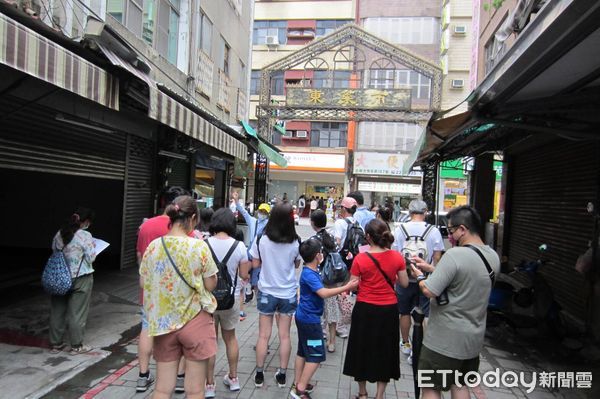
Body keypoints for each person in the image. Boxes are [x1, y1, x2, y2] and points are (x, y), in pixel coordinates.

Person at [411, 206, 500, 399]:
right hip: (473, 341)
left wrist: (419, 276)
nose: (450, 236)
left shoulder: (454, 255)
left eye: (450, 231)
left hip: (444, 340)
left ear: (462, 229)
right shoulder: (492, 256)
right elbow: (465, 279)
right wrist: (431, 268)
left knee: (431, 387)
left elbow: (429, 290)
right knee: (459, 386)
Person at [140, 195, 219, 399]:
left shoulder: (154, 247)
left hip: (164, 322)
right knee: (195, 390)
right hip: (195, 321)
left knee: (162, 388)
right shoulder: (198, 246)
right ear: (193, 218)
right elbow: (210, 284)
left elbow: (143, 282)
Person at [343, 219, 409, 399]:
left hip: (365, 308)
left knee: (361, 348)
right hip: (388, 309)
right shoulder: (397, 257)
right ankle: (379, 395)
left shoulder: (360, 258)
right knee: (385, 350)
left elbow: (354, 286)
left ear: (368, 237)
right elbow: (404, 282)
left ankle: (362, 393)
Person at [135, 186, 188, 392]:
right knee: (179, 332)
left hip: (150, 289)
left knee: (147, 329)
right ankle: (180, 378)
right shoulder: (185, 229)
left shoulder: (146, 226)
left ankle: (143, 375)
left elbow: (140, 258)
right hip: (177, 292)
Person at [291, 239, 358, 399]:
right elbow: (323, 293)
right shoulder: (309, 274)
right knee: (315, 354)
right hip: (310, 321)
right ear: (317, 256)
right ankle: (300, 389)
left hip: (305, 318)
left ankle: (298, 382)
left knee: (303, 351)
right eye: (320, 252)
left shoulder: (310, 271)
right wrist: (347, 287)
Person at [250, 203, 302, 389]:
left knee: (263, 335)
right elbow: (296, 264)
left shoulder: (262, 239)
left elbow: (255, 263)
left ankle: (259, 373)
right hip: (287, 292)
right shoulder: (296, 242)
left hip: (267, 291)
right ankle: (282, 374)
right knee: (285, 336)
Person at [204, 209, 251, 397]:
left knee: (210, 341)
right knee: (230, 339)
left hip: (208, 301)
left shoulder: (204, 244)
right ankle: (233, 379)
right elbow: (244, 275)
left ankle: (209, 385)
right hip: (230, 301)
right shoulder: (239, 246)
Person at [392, 199, 444, 365]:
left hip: (405, 278)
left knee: (405, 312)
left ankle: (405, 343)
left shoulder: (400, 229)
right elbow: (437, 256)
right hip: (426, 278)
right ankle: (419, 348)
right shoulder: (433, 231)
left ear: (409, 211)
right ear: (426, 211)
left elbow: (395, 254)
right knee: (426, 314)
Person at [49, 207, 97, 356]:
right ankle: (76, 346)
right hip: (81, 277)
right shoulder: (85, 235)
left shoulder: (60, 233)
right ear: (86, 222)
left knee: (57, 310)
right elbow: (91, 257)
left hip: (59, 276)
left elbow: (54, 250)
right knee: (77, 313)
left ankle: (56, 344)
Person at [309, 210, 340, 353]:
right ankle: (332, 342)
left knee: (317, 312)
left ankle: (317, 340)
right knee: (332, 311)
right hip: (332, 280)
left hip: (318, 279)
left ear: (313, 223)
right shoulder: (331, 237)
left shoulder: (313, 240)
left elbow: (310, 260)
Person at [332, 196, 361, 338]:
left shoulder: (340, 223)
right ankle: (343, 325)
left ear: (344, 208)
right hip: (353, 263)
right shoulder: (358, 224)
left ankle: (338, 325)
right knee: (346, 292)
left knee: (338, 292)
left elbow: (336, 243)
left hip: (340, 263)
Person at [231, 191, 270, 295]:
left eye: (265, 212)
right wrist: (236, 200)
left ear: (268, 214)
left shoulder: (269, 224)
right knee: (244, 273)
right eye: (261, 211)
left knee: (257, 276)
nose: (262, 213)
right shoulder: (253, 221)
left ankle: (256, 293)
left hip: (260, 253)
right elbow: (243, 212)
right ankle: (247, 291)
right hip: (250, 252)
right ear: (258, 211)